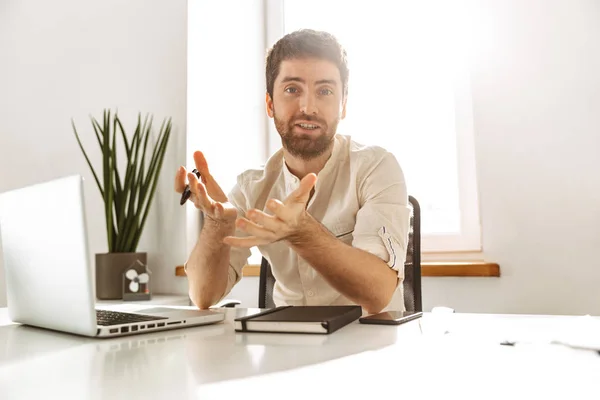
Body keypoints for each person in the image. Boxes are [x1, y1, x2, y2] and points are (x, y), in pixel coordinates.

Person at [174, 29, 411, 314]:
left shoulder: (376, 167)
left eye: (325, 91)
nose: (308, 107)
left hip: (369, 345)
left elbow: (379, 292)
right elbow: (203, 296)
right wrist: (216, 227)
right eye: (292, 90)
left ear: (343, 105)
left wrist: (302, 233)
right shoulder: (252, 186)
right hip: (286, 348)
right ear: (270, 104)